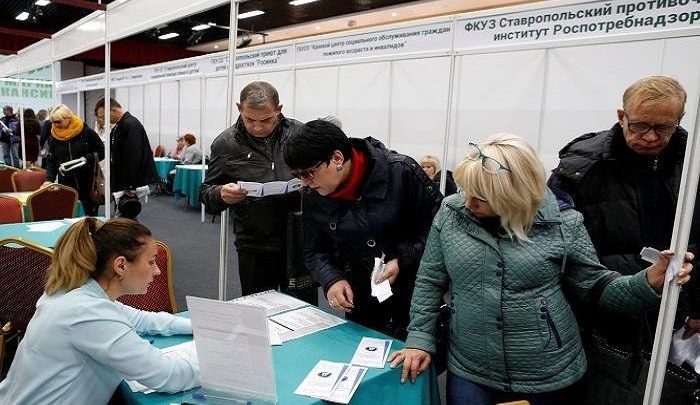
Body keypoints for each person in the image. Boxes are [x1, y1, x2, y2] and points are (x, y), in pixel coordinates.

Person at [388, 133, 693, 405]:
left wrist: (647, 282)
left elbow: (597, 287)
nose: (467, 202)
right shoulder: (451, 214)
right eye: (466, 190)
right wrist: (420, 340)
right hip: (470, 368)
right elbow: (430, 280)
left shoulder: (563, 223)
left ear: (513, 194)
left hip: (546, 374)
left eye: (480, 197)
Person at [548, 75, 700, 403]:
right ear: (622, 116)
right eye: (641, 125)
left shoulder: (693, 164)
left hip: (672, 309)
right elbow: (555, 243)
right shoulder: (581, 167)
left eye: (663, 127)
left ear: (680, 120)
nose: (651, 136)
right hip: (598, 312)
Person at [0, 218, 200, 404]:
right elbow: (169, 376)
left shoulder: (79, 292)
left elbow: (141, 320)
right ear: (121, 265)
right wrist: (217, 365)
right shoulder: (88, 312)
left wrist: (199, 327)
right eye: (151, 262)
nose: (157, 270)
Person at [283, 119, 443, 339]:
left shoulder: (401, 172)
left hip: (415, 296)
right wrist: (332, 280)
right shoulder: (314, 195)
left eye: (309, 173)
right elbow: (314, 250)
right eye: (297, 175)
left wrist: (402, 258)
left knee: (413, 357)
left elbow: (441, 232)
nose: (304, 182)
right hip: (361, 299)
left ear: (337, 158)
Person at [199, 81, 310, 301]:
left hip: (299, 236)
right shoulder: (225, 143)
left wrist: (312, 183)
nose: (258, 127)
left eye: (266, 120)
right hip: (254, 242)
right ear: (239, 108)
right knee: (258, 307)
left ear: (279, 109)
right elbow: (205, 192)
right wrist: (220, 193)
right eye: (250, 119)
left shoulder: (300, 134)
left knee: (304, 306)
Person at [97, 98, 157, 216]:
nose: (103, 120)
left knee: (124, 216)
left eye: (104, 116)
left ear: (113, 110)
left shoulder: (130, 125)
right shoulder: (120, 125)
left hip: (131, 183)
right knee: (126, 216)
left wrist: (129, 185)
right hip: (125, 182)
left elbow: (133, 156)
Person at [44, 105, 105, 215]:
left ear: (68, 119)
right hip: (66, 185)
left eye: (58, 122)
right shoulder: (53, 137)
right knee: (69, 216)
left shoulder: (86, 132)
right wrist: (49, 179)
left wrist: (87, 159)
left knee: (89, 217)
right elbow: (51, 160)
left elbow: (102, 151)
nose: (55, 125)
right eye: (52, 122)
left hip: (87, 183)